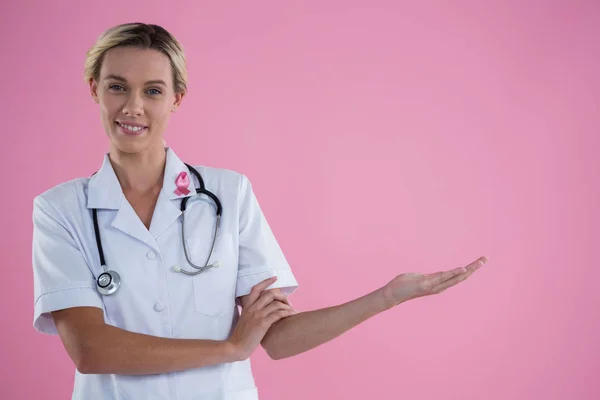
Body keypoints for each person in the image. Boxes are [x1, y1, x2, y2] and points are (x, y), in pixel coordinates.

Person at [31, 22, 489, 400]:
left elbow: (277, 338)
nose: (133, 106)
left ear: (176, 99)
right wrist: (230, 347)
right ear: (95, 89)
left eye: (153, 90)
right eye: (117, 87)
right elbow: (90, 350)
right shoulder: (61, 210)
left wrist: (386, 296)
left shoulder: (229, 195)